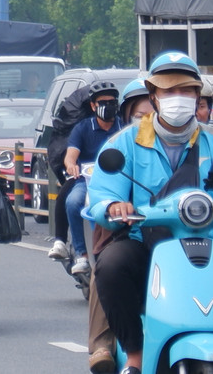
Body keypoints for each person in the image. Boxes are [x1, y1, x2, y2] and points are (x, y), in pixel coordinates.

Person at [85, 52, 213, 374]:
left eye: (186, 91)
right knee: (111, 267)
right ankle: (135, 351)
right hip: (145, 241)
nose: (178, 99)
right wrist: (114, 206)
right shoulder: (124, 142)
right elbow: (102, 193)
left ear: (198, 97)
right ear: (153, 96)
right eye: (169, 92)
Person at [60, 81, 122, 278]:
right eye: (103, 102)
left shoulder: (124, 127)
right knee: (72, 202)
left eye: (112, 101)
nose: (108, 106)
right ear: (93, 106)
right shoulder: (83, 128)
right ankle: (82, 254)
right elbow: (70, 155)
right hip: (87, 181)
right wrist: (71, 164)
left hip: (119, 181)